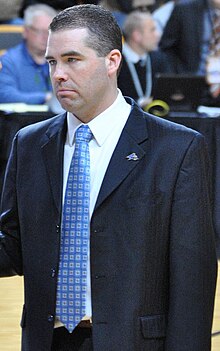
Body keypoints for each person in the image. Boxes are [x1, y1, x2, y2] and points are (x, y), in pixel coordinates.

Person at [0, 4, 217, 351]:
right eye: (53, 61)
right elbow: (11, 248)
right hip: (47, 339)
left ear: (112, 61)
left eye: (72, 60)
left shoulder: (177, 149)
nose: (58, 74)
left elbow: (193, 280)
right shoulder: (28, 144)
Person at [0, 4, 57, 105]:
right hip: (21, 119)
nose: (45, 37)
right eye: (40, 32)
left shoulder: (60, 60)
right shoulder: (8, 60)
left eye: (49, 32)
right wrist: (45, 98)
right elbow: (5, 95)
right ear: (26, 31)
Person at [118, 10, 171, 108]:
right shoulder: (116, 61)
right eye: (152, 30)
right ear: (137, 35)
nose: (158, 34)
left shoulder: (159, 59)